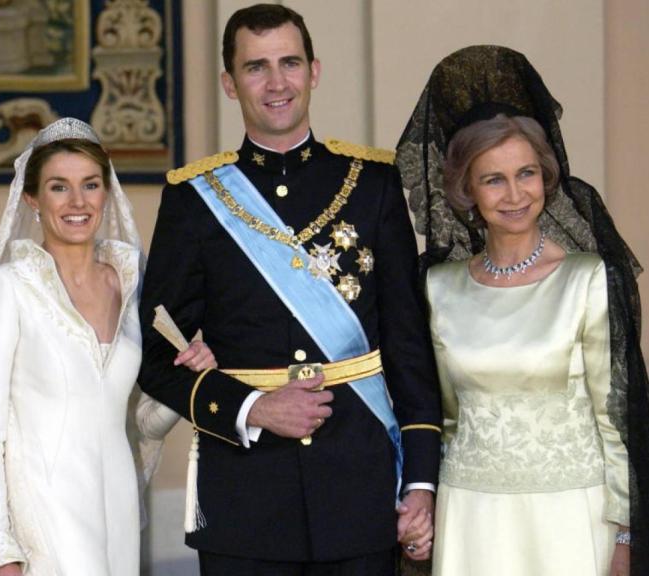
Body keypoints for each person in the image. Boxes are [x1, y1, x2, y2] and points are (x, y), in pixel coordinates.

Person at [138, 4, 442, 574]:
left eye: (289, 63)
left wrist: (421, 482)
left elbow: (408, 347)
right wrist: (252, 408)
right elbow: (153, 352)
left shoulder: (373, 184)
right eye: (256, 68)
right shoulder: (194, 198)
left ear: (314, 71)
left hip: (360, 488)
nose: (276, 83)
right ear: (230, 84)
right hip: (244, 501)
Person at [396, 45, 649, 576]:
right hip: (472, 516)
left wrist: (627, 532)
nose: (515, 194)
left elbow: (616, 420)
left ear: (547, 178)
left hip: (572, 517)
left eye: (527, 174)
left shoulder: (588, 279)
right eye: (493, 179)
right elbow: (440, 417)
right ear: (466, 191)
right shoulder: (436, 287)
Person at [0, 117, 216, 576]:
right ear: (32, 199)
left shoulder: (133, 285)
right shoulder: (5, 289)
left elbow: (142, 425)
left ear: (106, 192)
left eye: (90, 185)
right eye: (59, 187)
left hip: (117, 512)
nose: (77, 202)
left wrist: (188, 378)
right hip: (42, 512)